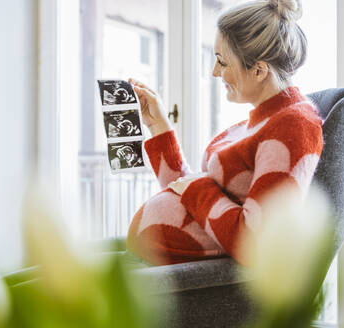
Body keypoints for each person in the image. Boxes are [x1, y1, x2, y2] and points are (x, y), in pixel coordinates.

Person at [126, 0, 323, 266]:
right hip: (164, 274)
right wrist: (158, 124)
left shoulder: (293, 127)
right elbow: (191, 197)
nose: (215, 72)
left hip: (192, 286)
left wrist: (197, 187)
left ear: (259, 70)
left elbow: (255, 243)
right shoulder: (261, 122)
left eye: (222, 62)